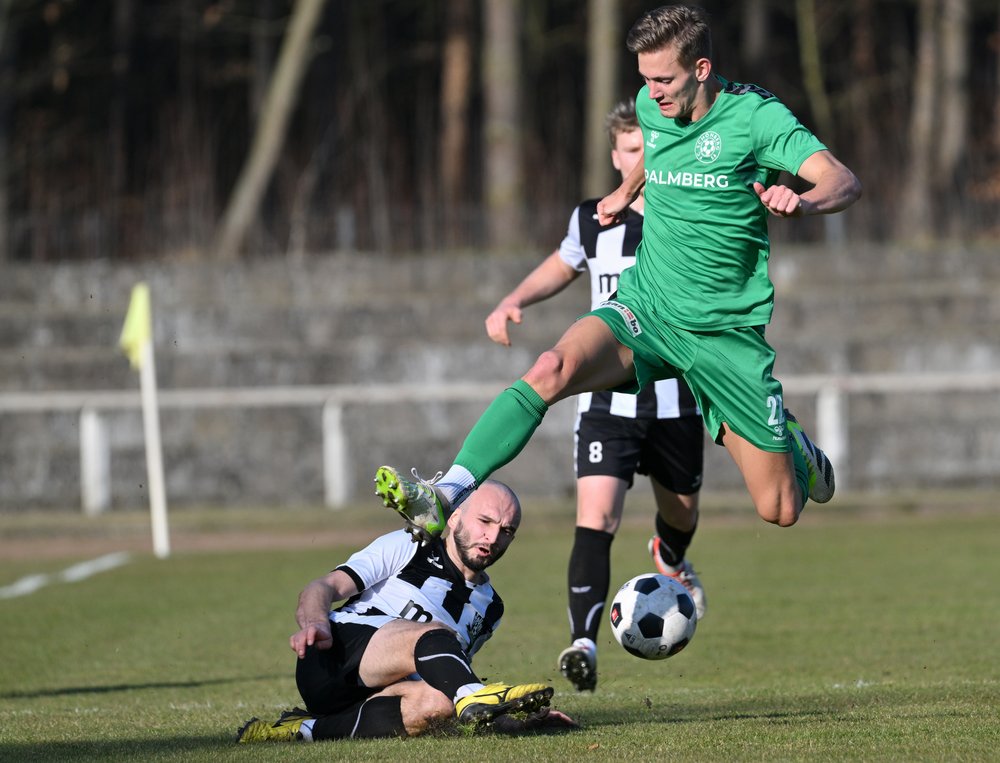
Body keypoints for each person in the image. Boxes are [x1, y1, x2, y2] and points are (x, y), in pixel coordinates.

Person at [374, 3, 861, 605]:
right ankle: (448, 490)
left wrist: (804, 201)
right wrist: (624, 191)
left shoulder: (757, 118)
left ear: (702, 69)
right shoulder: (654, 107)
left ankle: (791, 443)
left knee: (779, 508)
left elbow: (842, 178)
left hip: (724, 334)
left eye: (664, 80)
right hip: (647, 307)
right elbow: (657, 153)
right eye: (645, 78)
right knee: (551, 368)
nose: (651, 93)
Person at [483, 98, 706, 693]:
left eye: (649, 147)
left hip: (676, 396)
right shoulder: (593, 219)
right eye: (631, 149)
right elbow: (563, 265)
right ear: (615, 156)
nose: (642, 159)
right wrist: (514, 300)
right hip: (608, 404)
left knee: (682, 513)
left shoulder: (686, 211)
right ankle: (583, 642)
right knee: (596, 517)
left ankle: (670, 554)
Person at [236, 481, 576, 743]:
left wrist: (514, 723)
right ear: (454, 516)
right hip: (333, 656)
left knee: (441, 704)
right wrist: (316, 623)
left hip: (380, 693)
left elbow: (446, 676)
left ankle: (303, 729)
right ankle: (473, 694)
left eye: (506, 531)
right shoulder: (412, 544)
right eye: (484, 521)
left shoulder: (491, 609)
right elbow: (323, 587)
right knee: (434, 633)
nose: (493, 537)